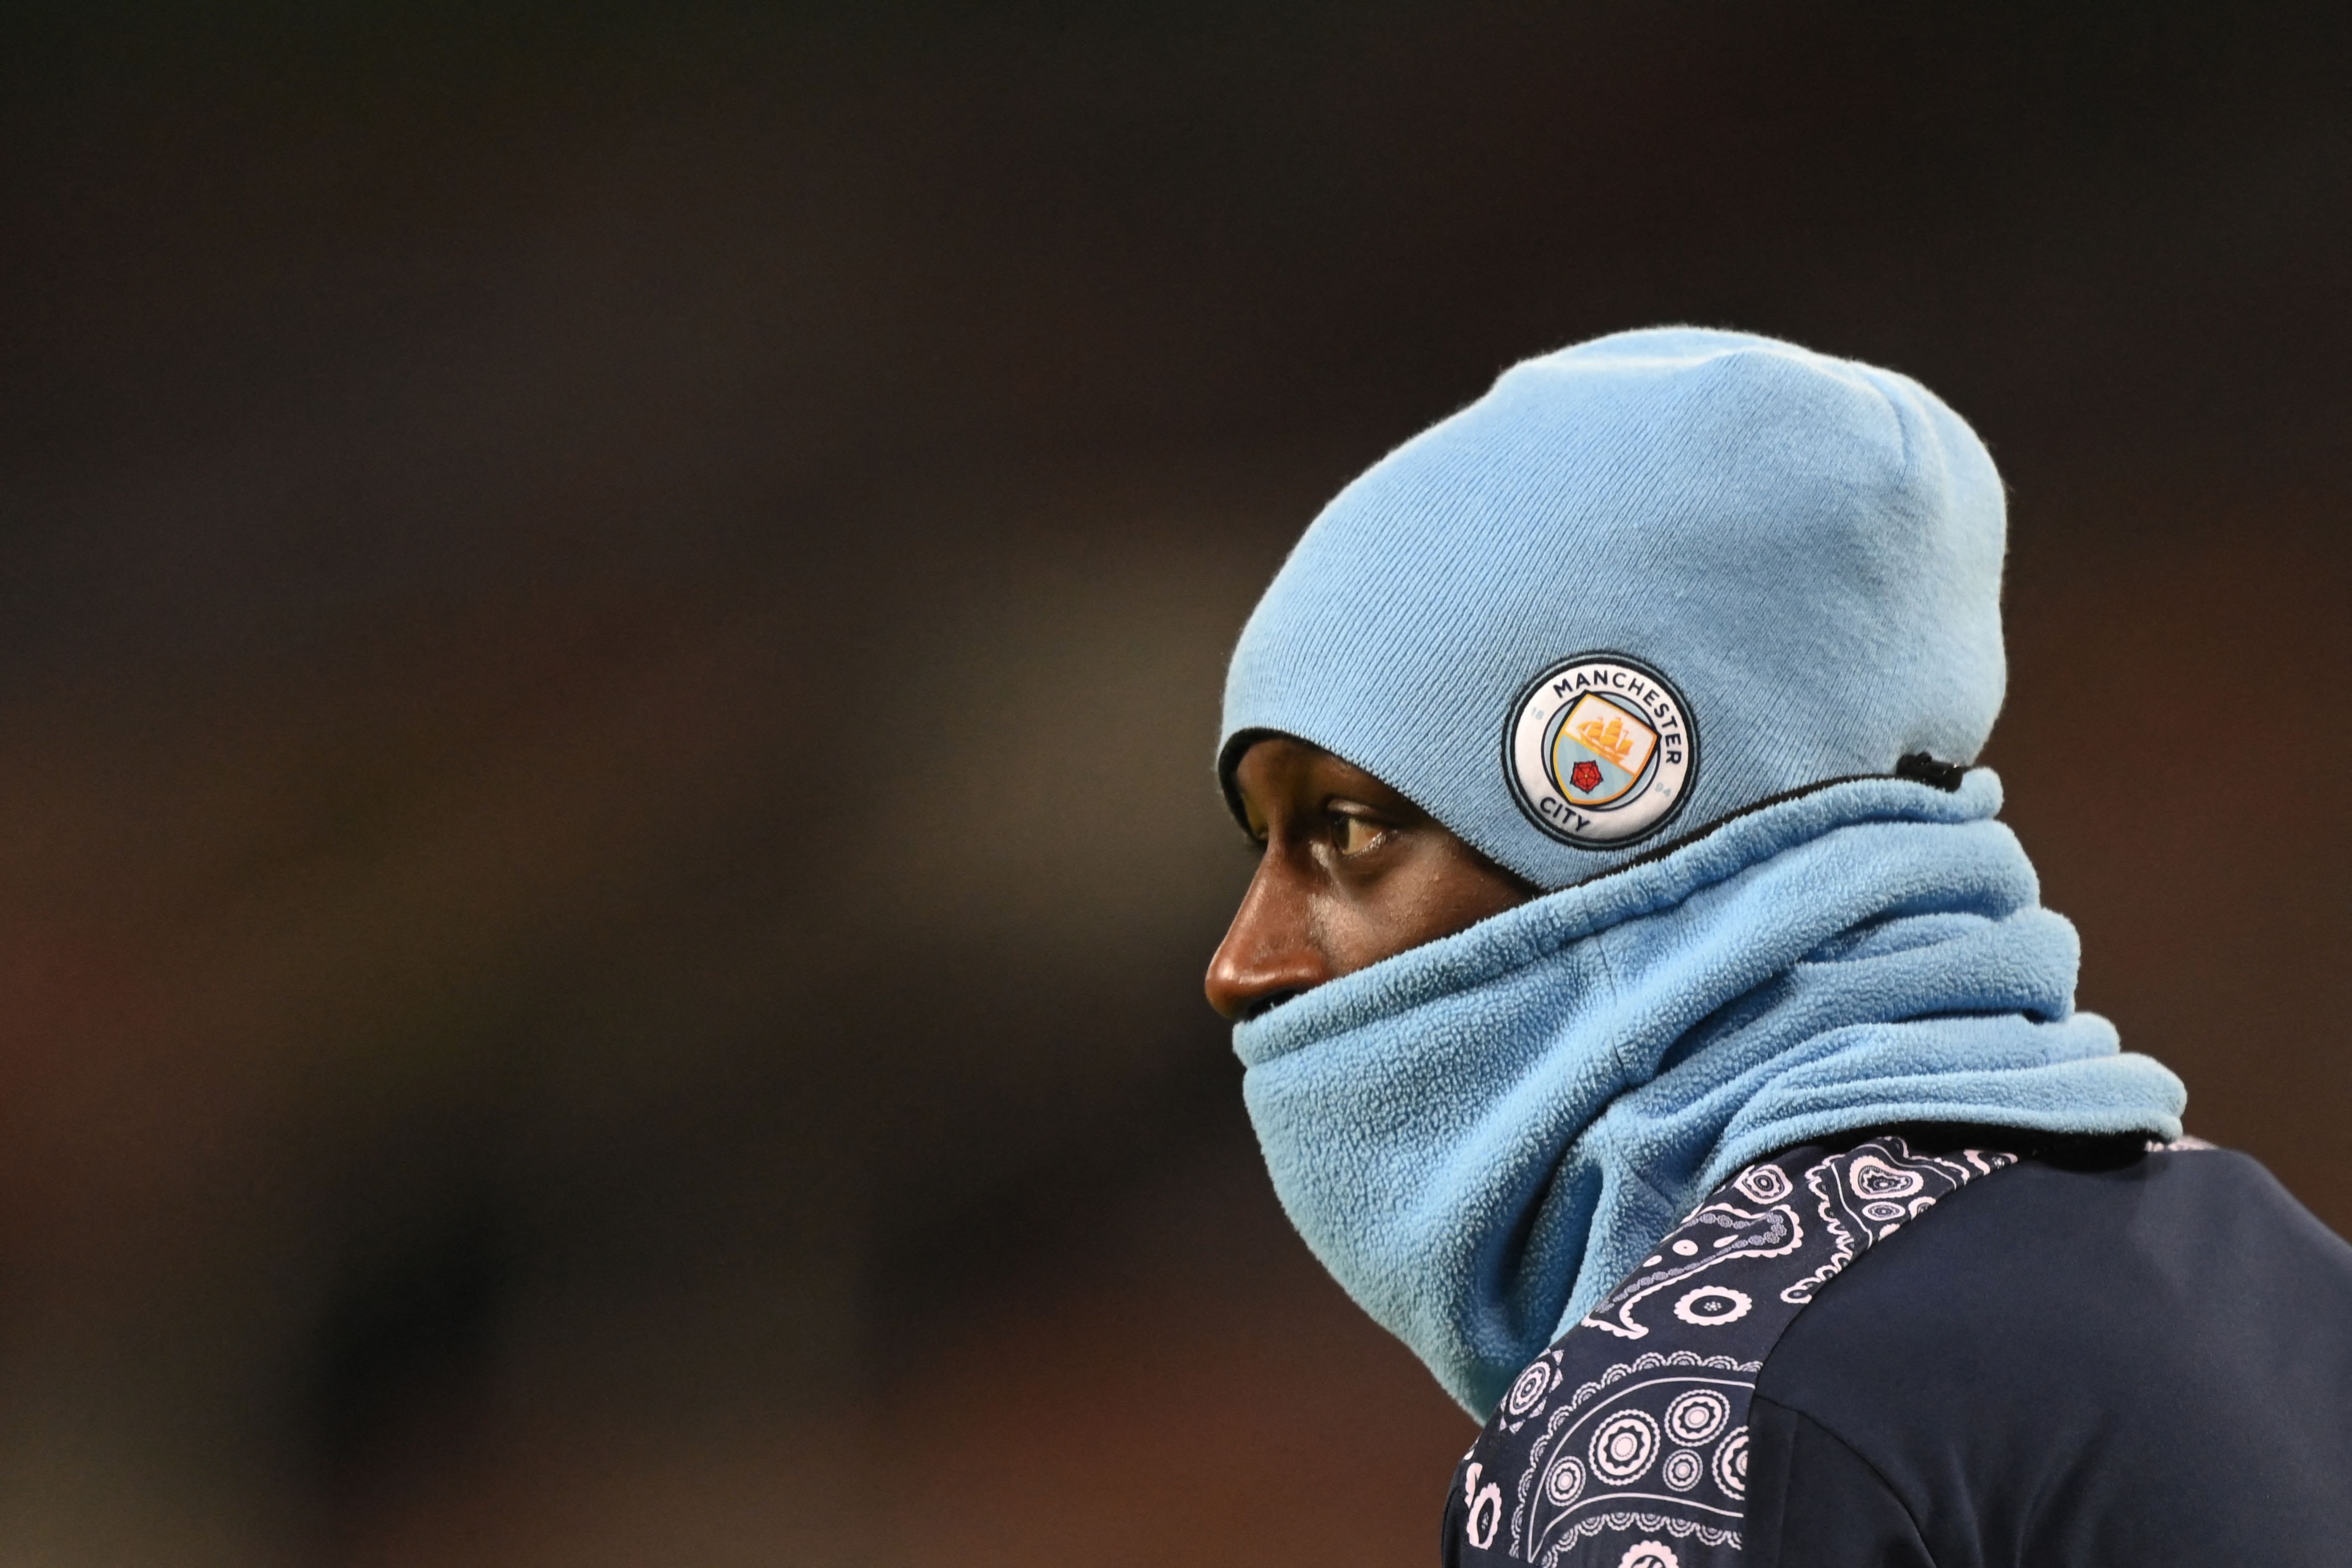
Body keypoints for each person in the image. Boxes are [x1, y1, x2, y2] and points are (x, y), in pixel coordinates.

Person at [1203, 328, 2352, 1566]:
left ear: (1630, 812)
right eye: (1259, 839)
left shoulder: (1681, 1426)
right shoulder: (2286, 1280)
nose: (1242, 962)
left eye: (1352, 826)